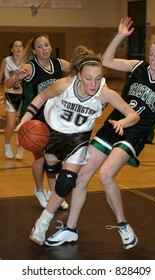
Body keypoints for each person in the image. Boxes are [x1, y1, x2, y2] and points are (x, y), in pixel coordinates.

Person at [32, 17, 155, 250]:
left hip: (133, 134)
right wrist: (119, 35)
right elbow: (106, 61)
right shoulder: (137, 67)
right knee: (80, 178)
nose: (151, 57)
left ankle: (123, 224)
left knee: (106, 175)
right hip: (112, 126)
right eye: (150, 52)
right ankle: (71, 229)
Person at [17, 44, 139, 246]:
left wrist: (123, 122)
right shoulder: (64, 85)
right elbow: (41, 97)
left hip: (78, 138)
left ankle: (42, 223)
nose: (93, 83)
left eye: (98, 78)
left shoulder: (104, 93)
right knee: (52, 169)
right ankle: (53, 198)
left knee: (66, 181)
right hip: (53, 132)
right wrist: (25, 120)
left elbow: (133, 115)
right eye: (89, 78)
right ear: (79, 76)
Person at [5, 34, 70, 209]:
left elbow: (80, 69)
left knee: (53, 158)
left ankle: (53, 193)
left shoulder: (59, 64)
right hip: (32, 118)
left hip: (52, 117)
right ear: (34, 51)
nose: (44, 49)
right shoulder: (29, 67)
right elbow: (7, 84)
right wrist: (16, 77)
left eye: (46, 45)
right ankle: (40, 190)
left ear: (50, 46)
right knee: (41, 159)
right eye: (39, 46)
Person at [0, 39, 24, 160]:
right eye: (16, 46)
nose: (18, 48)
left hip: (23, 95)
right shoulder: (6, 61)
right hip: (11, 95)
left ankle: (20, 147)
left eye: (20, 46)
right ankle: (7, 144)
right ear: (11, 49)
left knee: (21, 124)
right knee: (10, 124)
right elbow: (0, 77)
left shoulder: (27, 62)